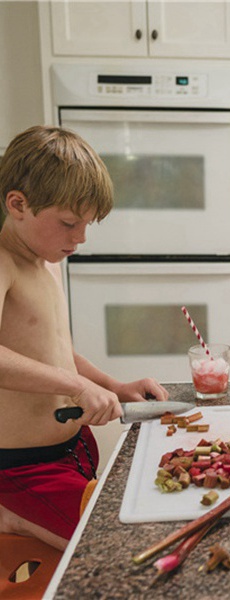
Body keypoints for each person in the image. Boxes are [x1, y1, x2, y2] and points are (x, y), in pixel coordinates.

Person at [0, 125, 169, 550]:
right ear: (18, 204)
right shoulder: (3, 263)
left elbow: (53, 352)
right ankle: (14, 517)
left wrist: (112, 385)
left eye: (87, 224)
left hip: (74, 448)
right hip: (22, 470)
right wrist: (78, 387)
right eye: (69, 223)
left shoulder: (45, 261)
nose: (80, 238)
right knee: (115, 551)